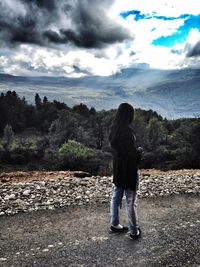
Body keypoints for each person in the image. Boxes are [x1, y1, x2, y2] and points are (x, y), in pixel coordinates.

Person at [109, 103, 142, 239]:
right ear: (128, 115)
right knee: (130, 200)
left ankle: (114, 224)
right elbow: (132, 153)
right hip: (129, 170)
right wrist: (139, 151)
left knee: (116, 196)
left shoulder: (113, 129)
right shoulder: (127, 131)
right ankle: (134, 231)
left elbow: (119, 149)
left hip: (118, 168)